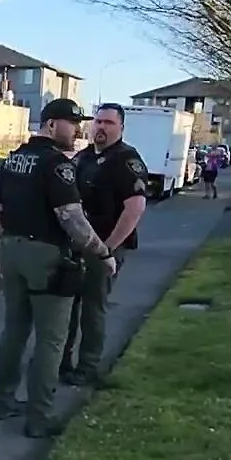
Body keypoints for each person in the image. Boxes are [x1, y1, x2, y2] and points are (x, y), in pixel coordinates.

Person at [0, 98, 117, 438]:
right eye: (72, 123)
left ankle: (0, 401)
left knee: (14, 330)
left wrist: (7, 242)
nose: (77, 130)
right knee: (51, 340)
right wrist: (102, 252)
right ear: (51, 124)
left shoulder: (14, 158)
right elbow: (71, 218)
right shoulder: (57, 164)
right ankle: (39, 417)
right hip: (45, 255)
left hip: (11, 249)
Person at [60, 103, 148, 389]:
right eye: (98, 121)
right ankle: (62, 361)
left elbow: (134, 209)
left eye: (108, 123)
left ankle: (87, 367)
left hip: (104, 248)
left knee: (92, 310)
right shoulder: (83, 157)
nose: (100, 127)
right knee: (67, 308)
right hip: (76, 246)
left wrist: (106, 249)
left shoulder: (126, 160)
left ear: (121, 127)